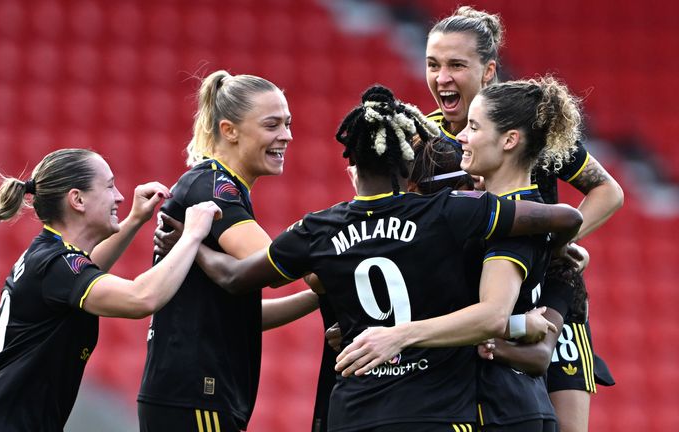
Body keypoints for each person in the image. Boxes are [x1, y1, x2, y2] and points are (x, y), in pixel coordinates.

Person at [164, 85, 583, 431]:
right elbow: (565, 218)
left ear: (351, 165)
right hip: (439, 409)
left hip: (357, 409)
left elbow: (236, 277)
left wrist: (191, 241)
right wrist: (547, 263)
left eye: (473, 127)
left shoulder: (319, 228)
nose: (461, 137)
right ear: (406, 165)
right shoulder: (449, 213)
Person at [424, 7, 623, 430]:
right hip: (479, 305)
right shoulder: (424, 137)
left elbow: (608, 191)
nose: (442, 78)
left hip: (549, 299)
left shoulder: (526, 123)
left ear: (488, 70)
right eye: (433, 64)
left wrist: (557, 244)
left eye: (456, 65)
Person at [0, 148, 221, 431]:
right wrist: (193, 235)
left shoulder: (50, 255)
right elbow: (142, 298)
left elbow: (90, 267)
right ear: (77, 199)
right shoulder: (56, 265)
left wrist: (135, 219)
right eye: (110, 186)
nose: (120, 197)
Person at [139, 70, 319, 432]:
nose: (287, 135)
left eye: (287, 123)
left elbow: (241, 314)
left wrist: (318, 296)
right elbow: (275, 263)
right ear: (229, 130)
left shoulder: (217, 185)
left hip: (191, 394)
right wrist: (338, 251)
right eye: (272, 125)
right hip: (196, 392)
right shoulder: (213, 188)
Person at [454, 76, 586, 431]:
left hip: (498, 408)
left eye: (473, 127)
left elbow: (490, 316)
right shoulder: (528, 211)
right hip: (520, 403)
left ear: (509, 140)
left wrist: (399, 334)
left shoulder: (512, 225)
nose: (461, 136)